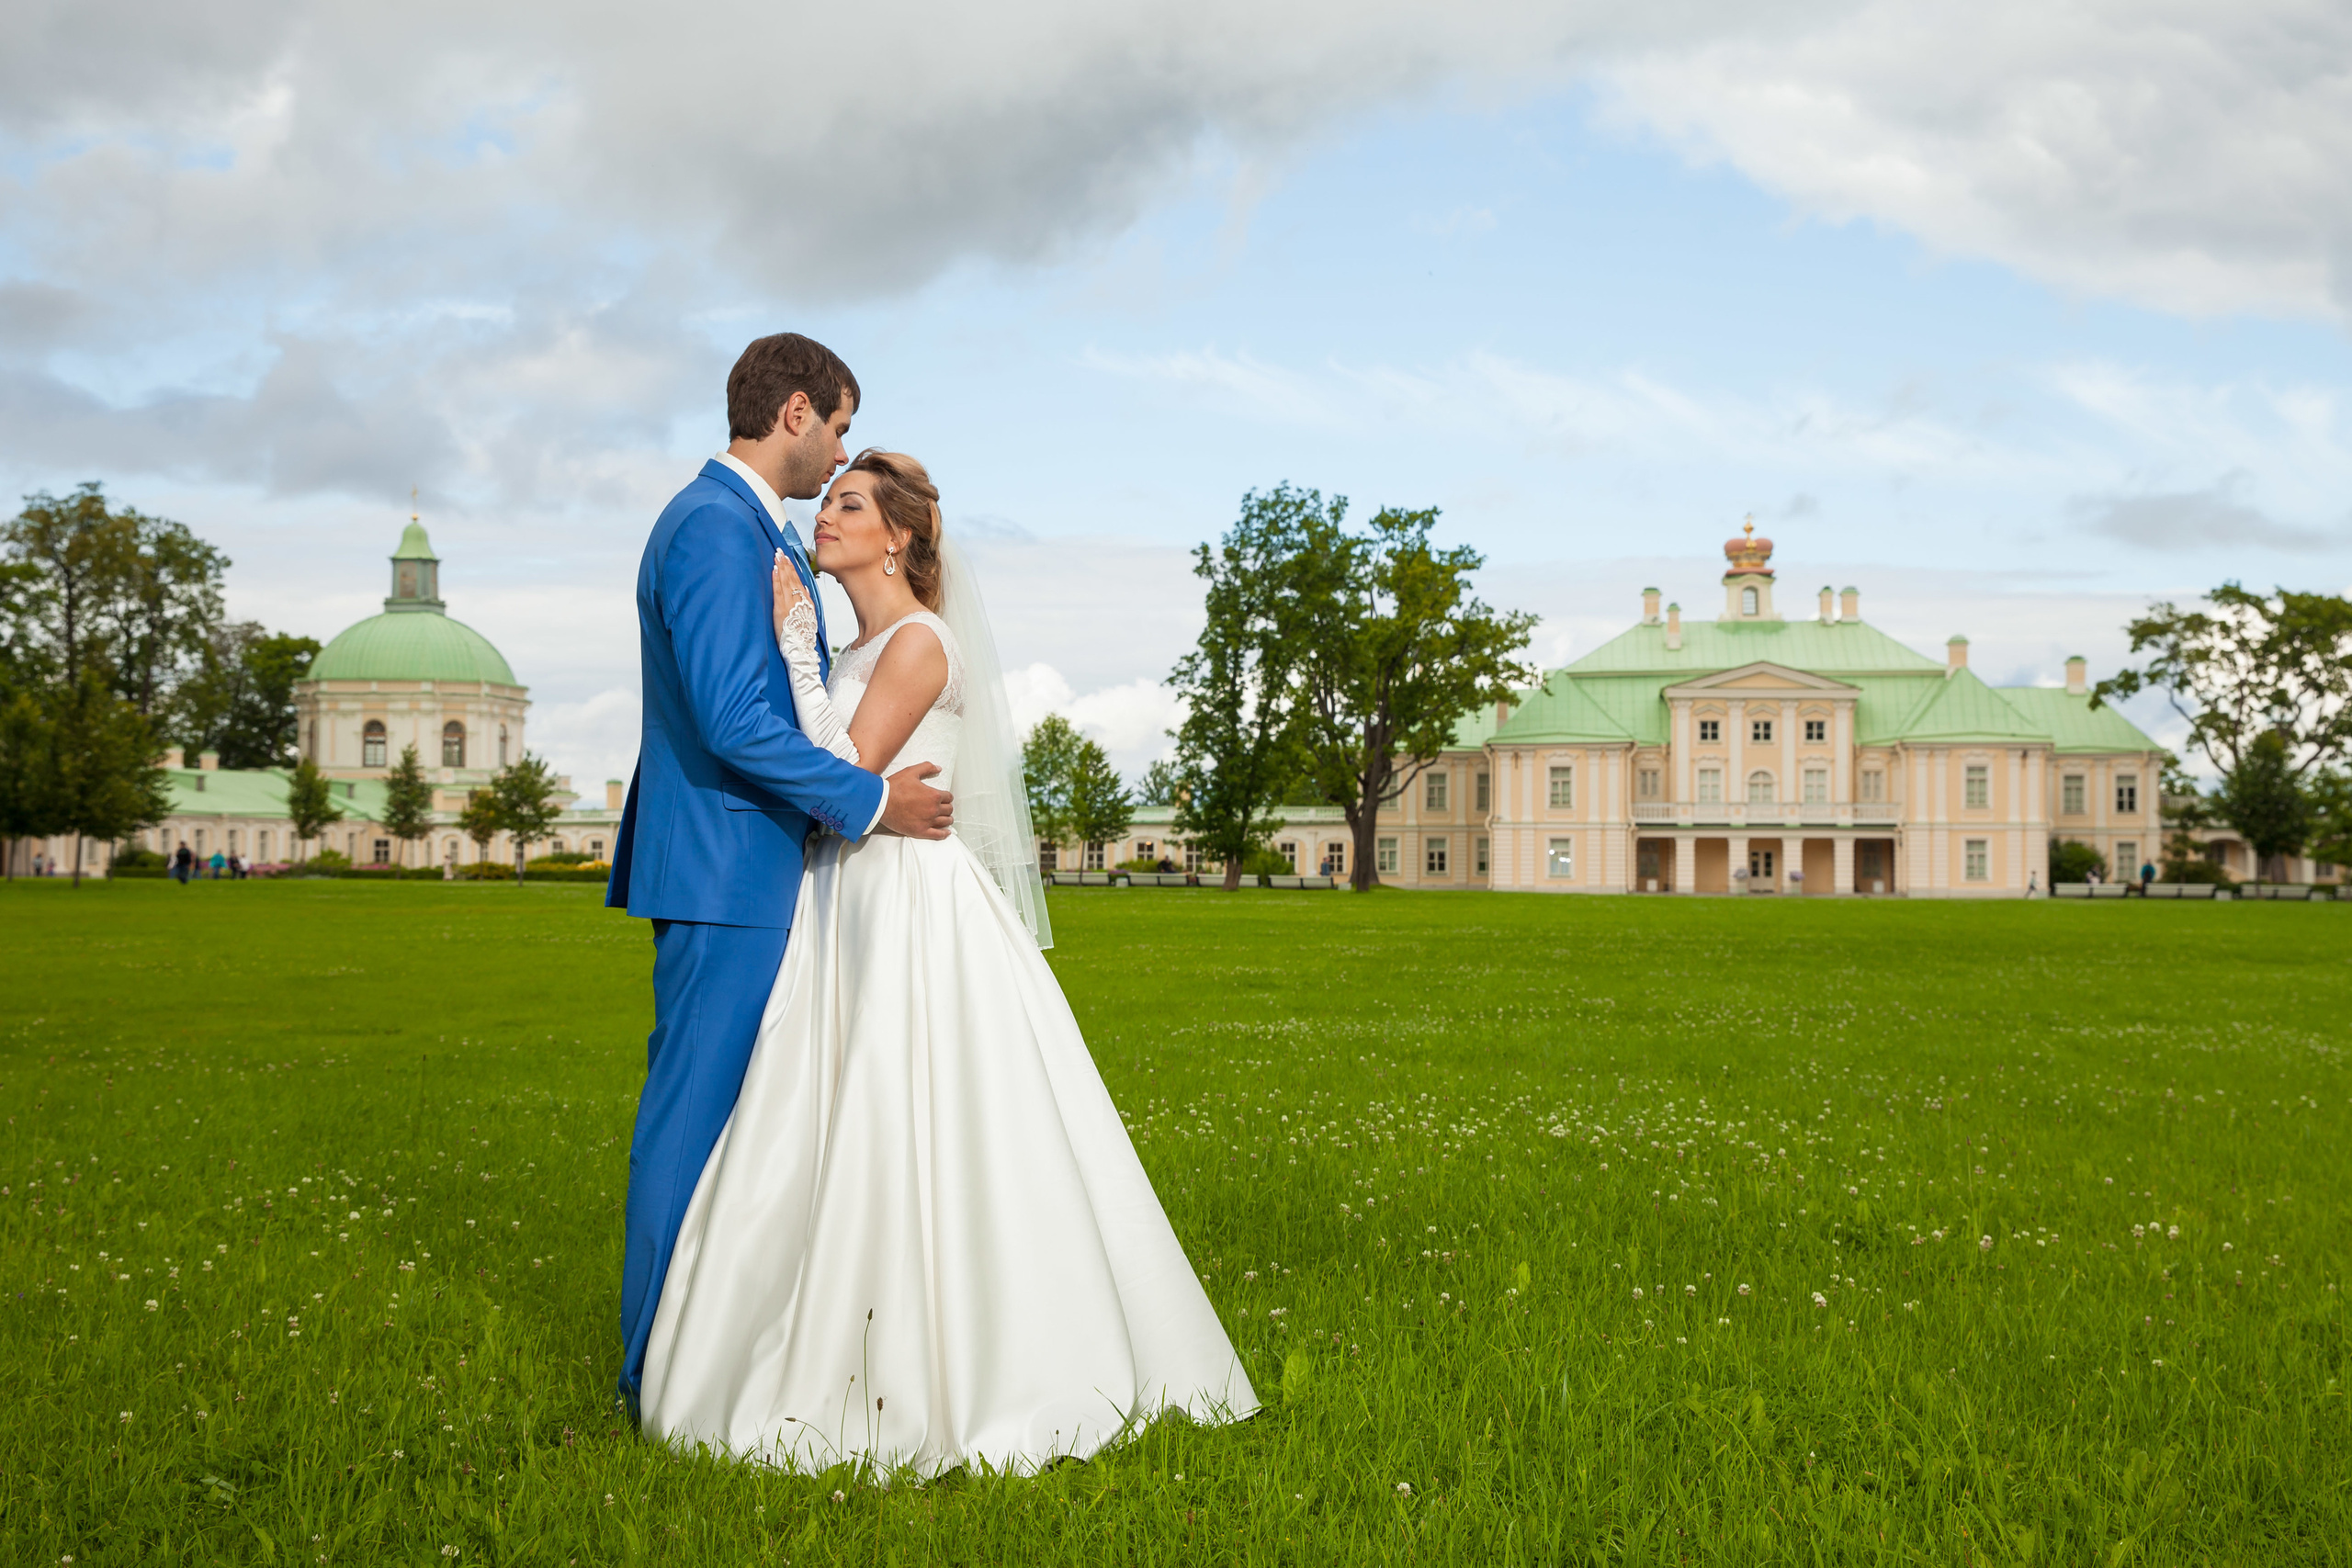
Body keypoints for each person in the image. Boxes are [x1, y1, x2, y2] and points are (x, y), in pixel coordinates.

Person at [638, 448, 1254, 1475]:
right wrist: (809, 657)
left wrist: (793, 651)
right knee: (823, 1107)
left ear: (898, 538)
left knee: (910, 1107)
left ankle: (955, 1352)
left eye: (848, 506)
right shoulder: (858, 643)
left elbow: (843, 770)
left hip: (904, 904)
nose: (824, 517)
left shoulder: (920, 642)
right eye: (830, 501)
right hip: (844, 896)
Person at [605, 334, 956, 1420]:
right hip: (726, 869)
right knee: (695, 1128)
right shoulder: (718, 527)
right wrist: (872, 802)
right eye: (839, 427)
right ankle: (654, 1375)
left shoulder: (739, 529)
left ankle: (709, 1349)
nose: (840, 453)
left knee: (739, 1133)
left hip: (748, 868)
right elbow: (731, 720)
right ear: (796, 411)